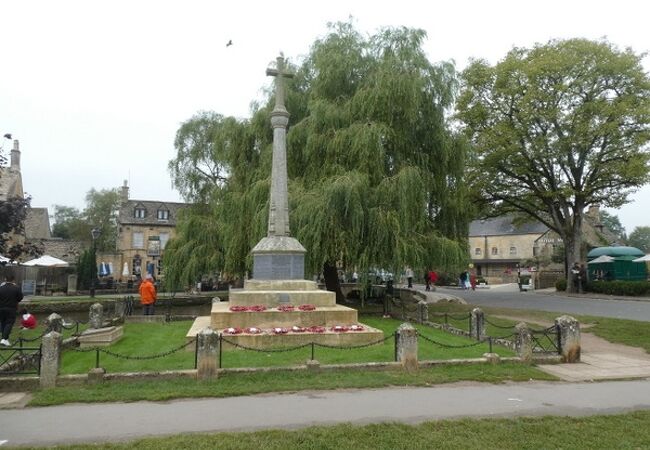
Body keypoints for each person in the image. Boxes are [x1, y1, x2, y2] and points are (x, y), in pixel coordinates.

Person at [0, 275, 24, 346]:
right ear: (13, 280)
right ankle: (4, 339)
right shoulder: (16, 288)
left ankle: (5, 339)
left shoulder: (1, 288)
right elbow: (20, 298)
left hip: (1, 308)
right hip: (11, 308)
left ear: (5, 279)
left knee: (3, 322)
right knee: (9, 323)